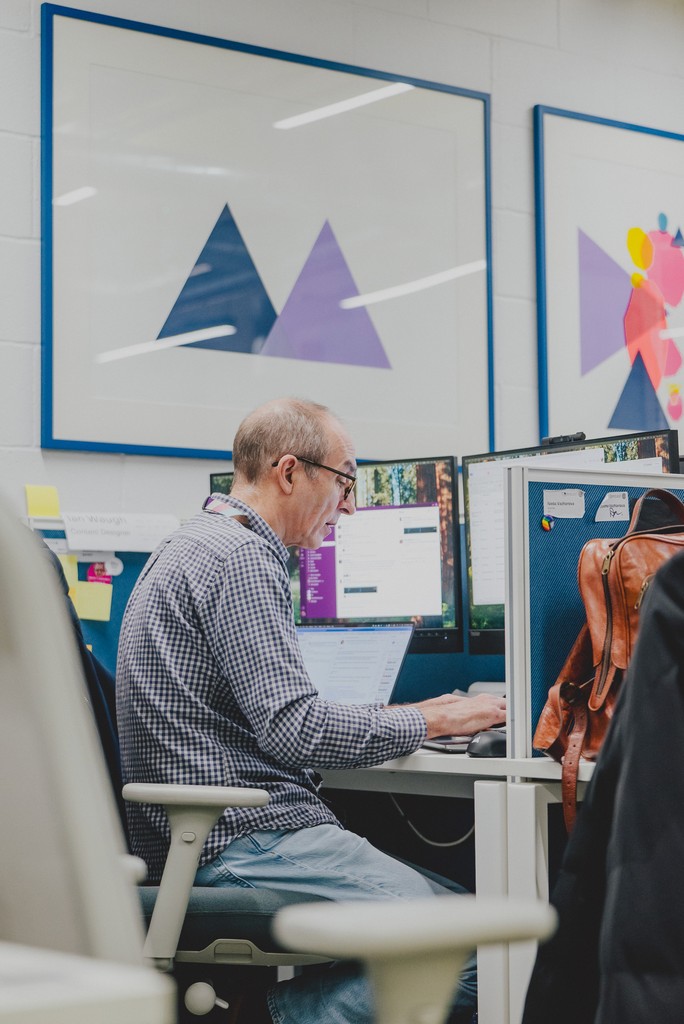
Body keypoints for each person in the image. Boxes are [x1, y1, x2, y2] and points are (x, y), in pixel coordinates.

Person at [116, 397, 506, 1024]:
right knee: (489, 945)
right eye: (345, 480)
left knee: (462, 914)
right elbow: (297, 730)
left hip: (219, 831)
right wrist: (434, 719)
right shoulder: (239, 557)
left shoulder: (197, 543)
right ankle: (267, 1017)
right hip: (239, 838)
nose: (350, 504)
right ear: (290, 472)